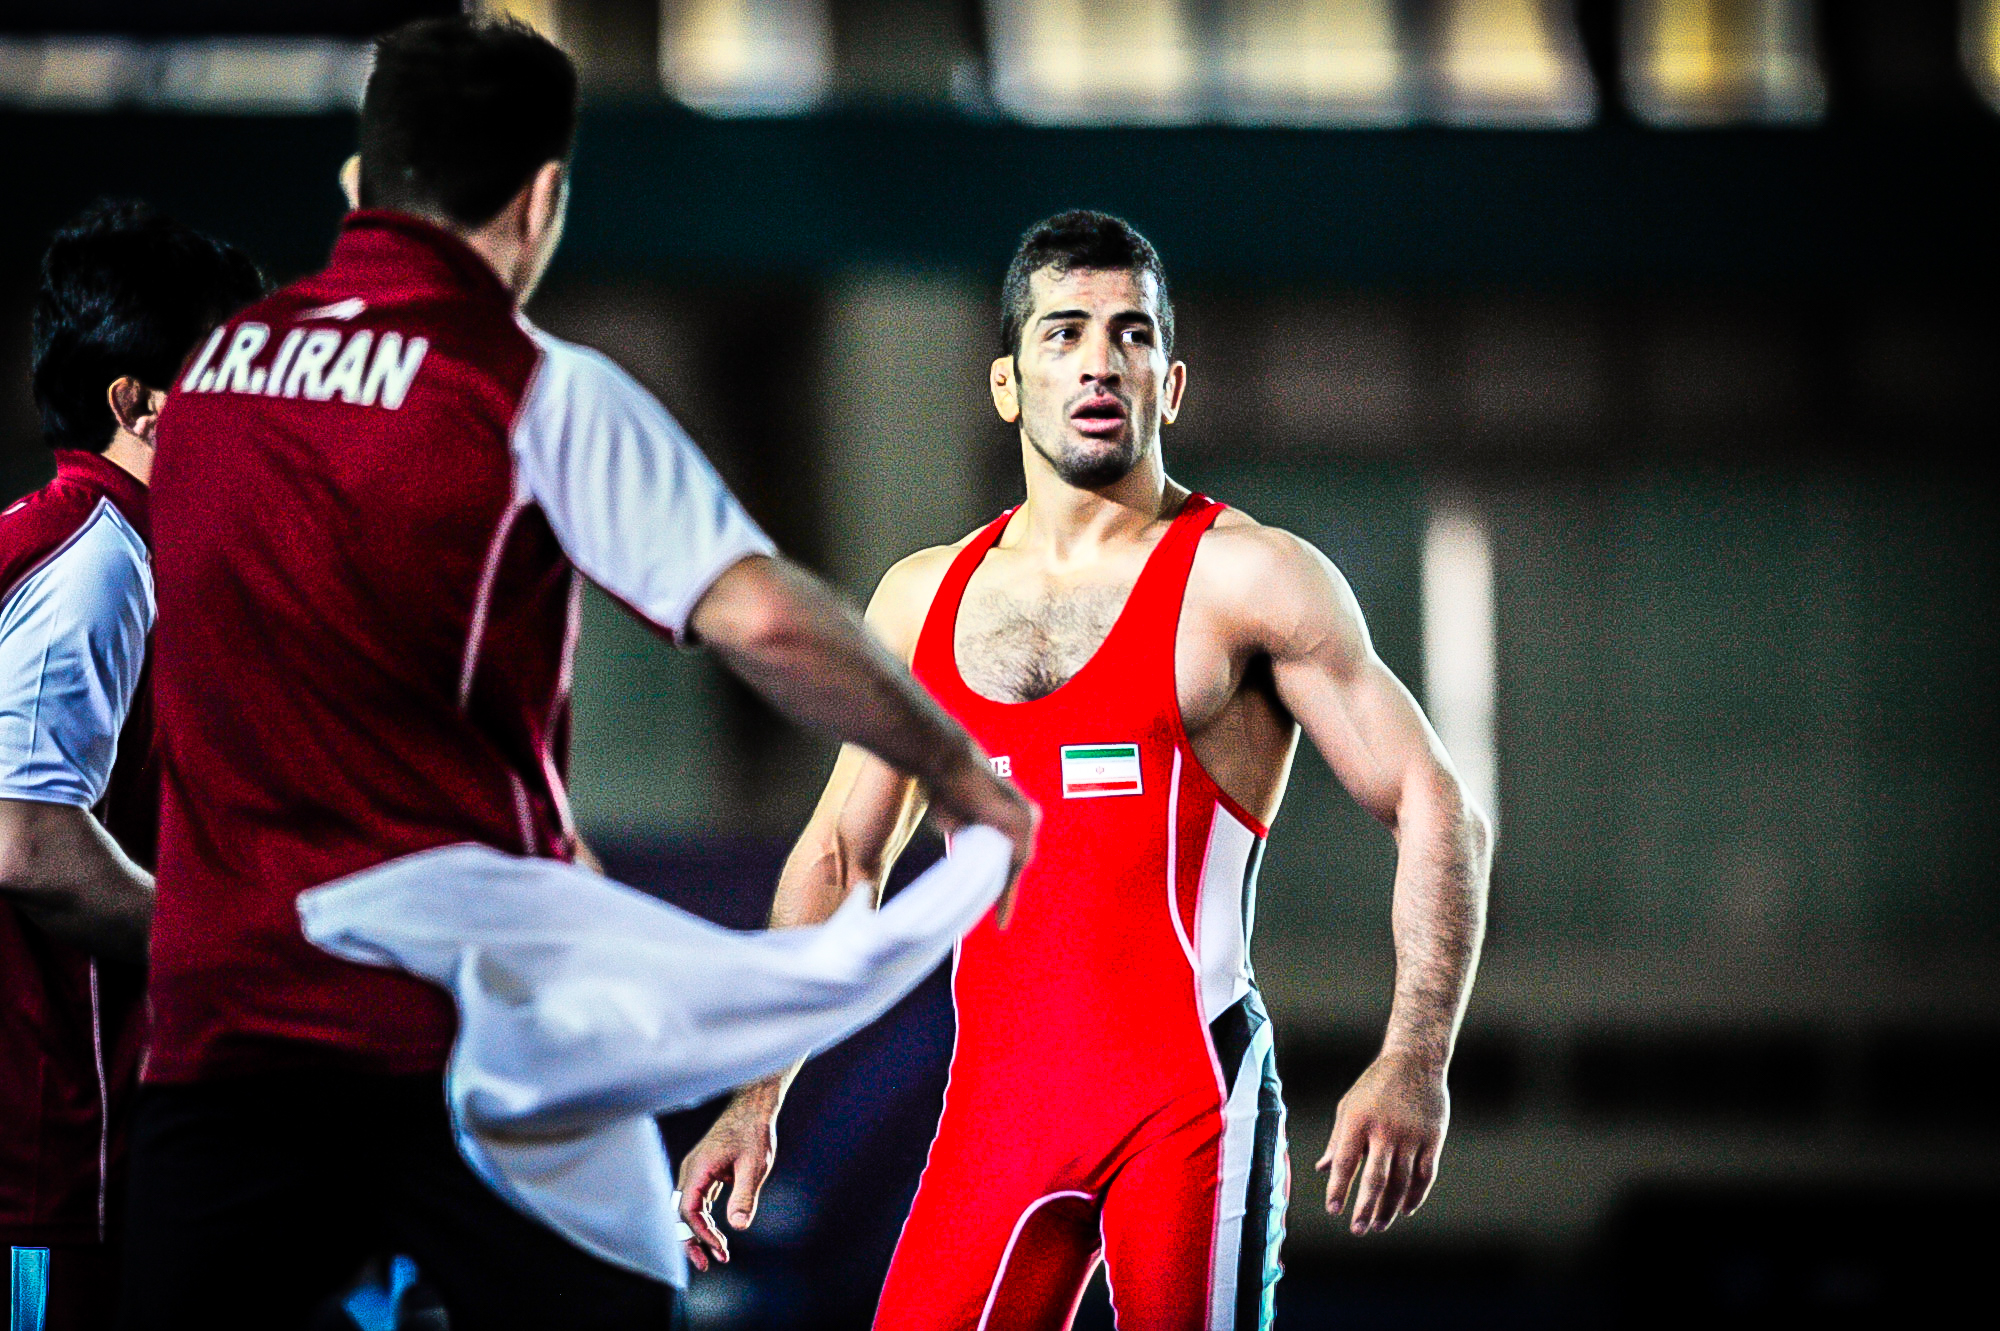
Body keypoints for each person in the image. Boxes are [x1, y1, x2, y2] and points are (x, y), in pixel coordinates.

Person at [121, 16, 1030, 1330]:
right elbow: (765, 619)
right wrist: (957, 771)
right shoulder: (531, 388)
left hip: (218, 1040)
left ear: (356, 185)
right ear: (543, 197)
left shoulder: (201, 383)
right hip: (456, 1043)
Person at [677, 210, 1494, 1328]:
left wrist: (1413, 1058)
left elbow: (1433, 801)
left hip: (1185, 1105)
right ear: (1008, 383)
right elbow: (838, 853)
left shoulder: (1248, 578)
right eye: (1062, 332)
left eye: (1130, 333)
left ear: (1171, 380)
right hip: (994, 1112)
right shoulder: (921, 599)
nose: (1099, 360)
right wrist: (752, 1098)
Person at [0, 202, 262, 1331]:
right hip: (39, 1156)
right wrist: (234, 953)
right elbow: (33, 843)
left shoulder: (96, 548)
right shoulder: (99, 566)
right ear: (137, 401)